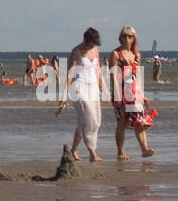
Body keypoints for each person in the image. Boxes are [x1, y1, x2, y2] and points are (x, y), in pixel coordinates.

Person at [109, 26, 155, 159]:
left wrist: (142, 94)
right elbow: (113, 76)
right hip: (121, 92)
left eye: (129, 36)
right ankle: (120, 151)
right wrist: (116, 95)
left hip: (134, 92)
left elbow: (138, 76)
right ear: (120, 38)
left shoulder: (137, 55)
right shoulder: (116, 54)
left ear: (134, 38)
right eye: (124, 36)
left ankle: (144, 149)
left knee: (139, 121)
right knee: (122, 122)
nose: (126, 39)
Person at [61, 28, 103, 162]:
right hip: (79, 87)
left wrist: (105, 90)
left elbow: (98, 72)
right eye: (91, 43)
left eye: (95, 44)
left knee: (92, 121)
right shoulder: (76, 52)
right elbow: (70, 75)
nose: (93, 46)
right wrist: (64, 95)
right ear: (86, 40)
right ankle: (93, 152)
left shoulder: (95, 51)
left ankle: (73, 150)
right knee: (90, 120)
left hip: (94, 87)